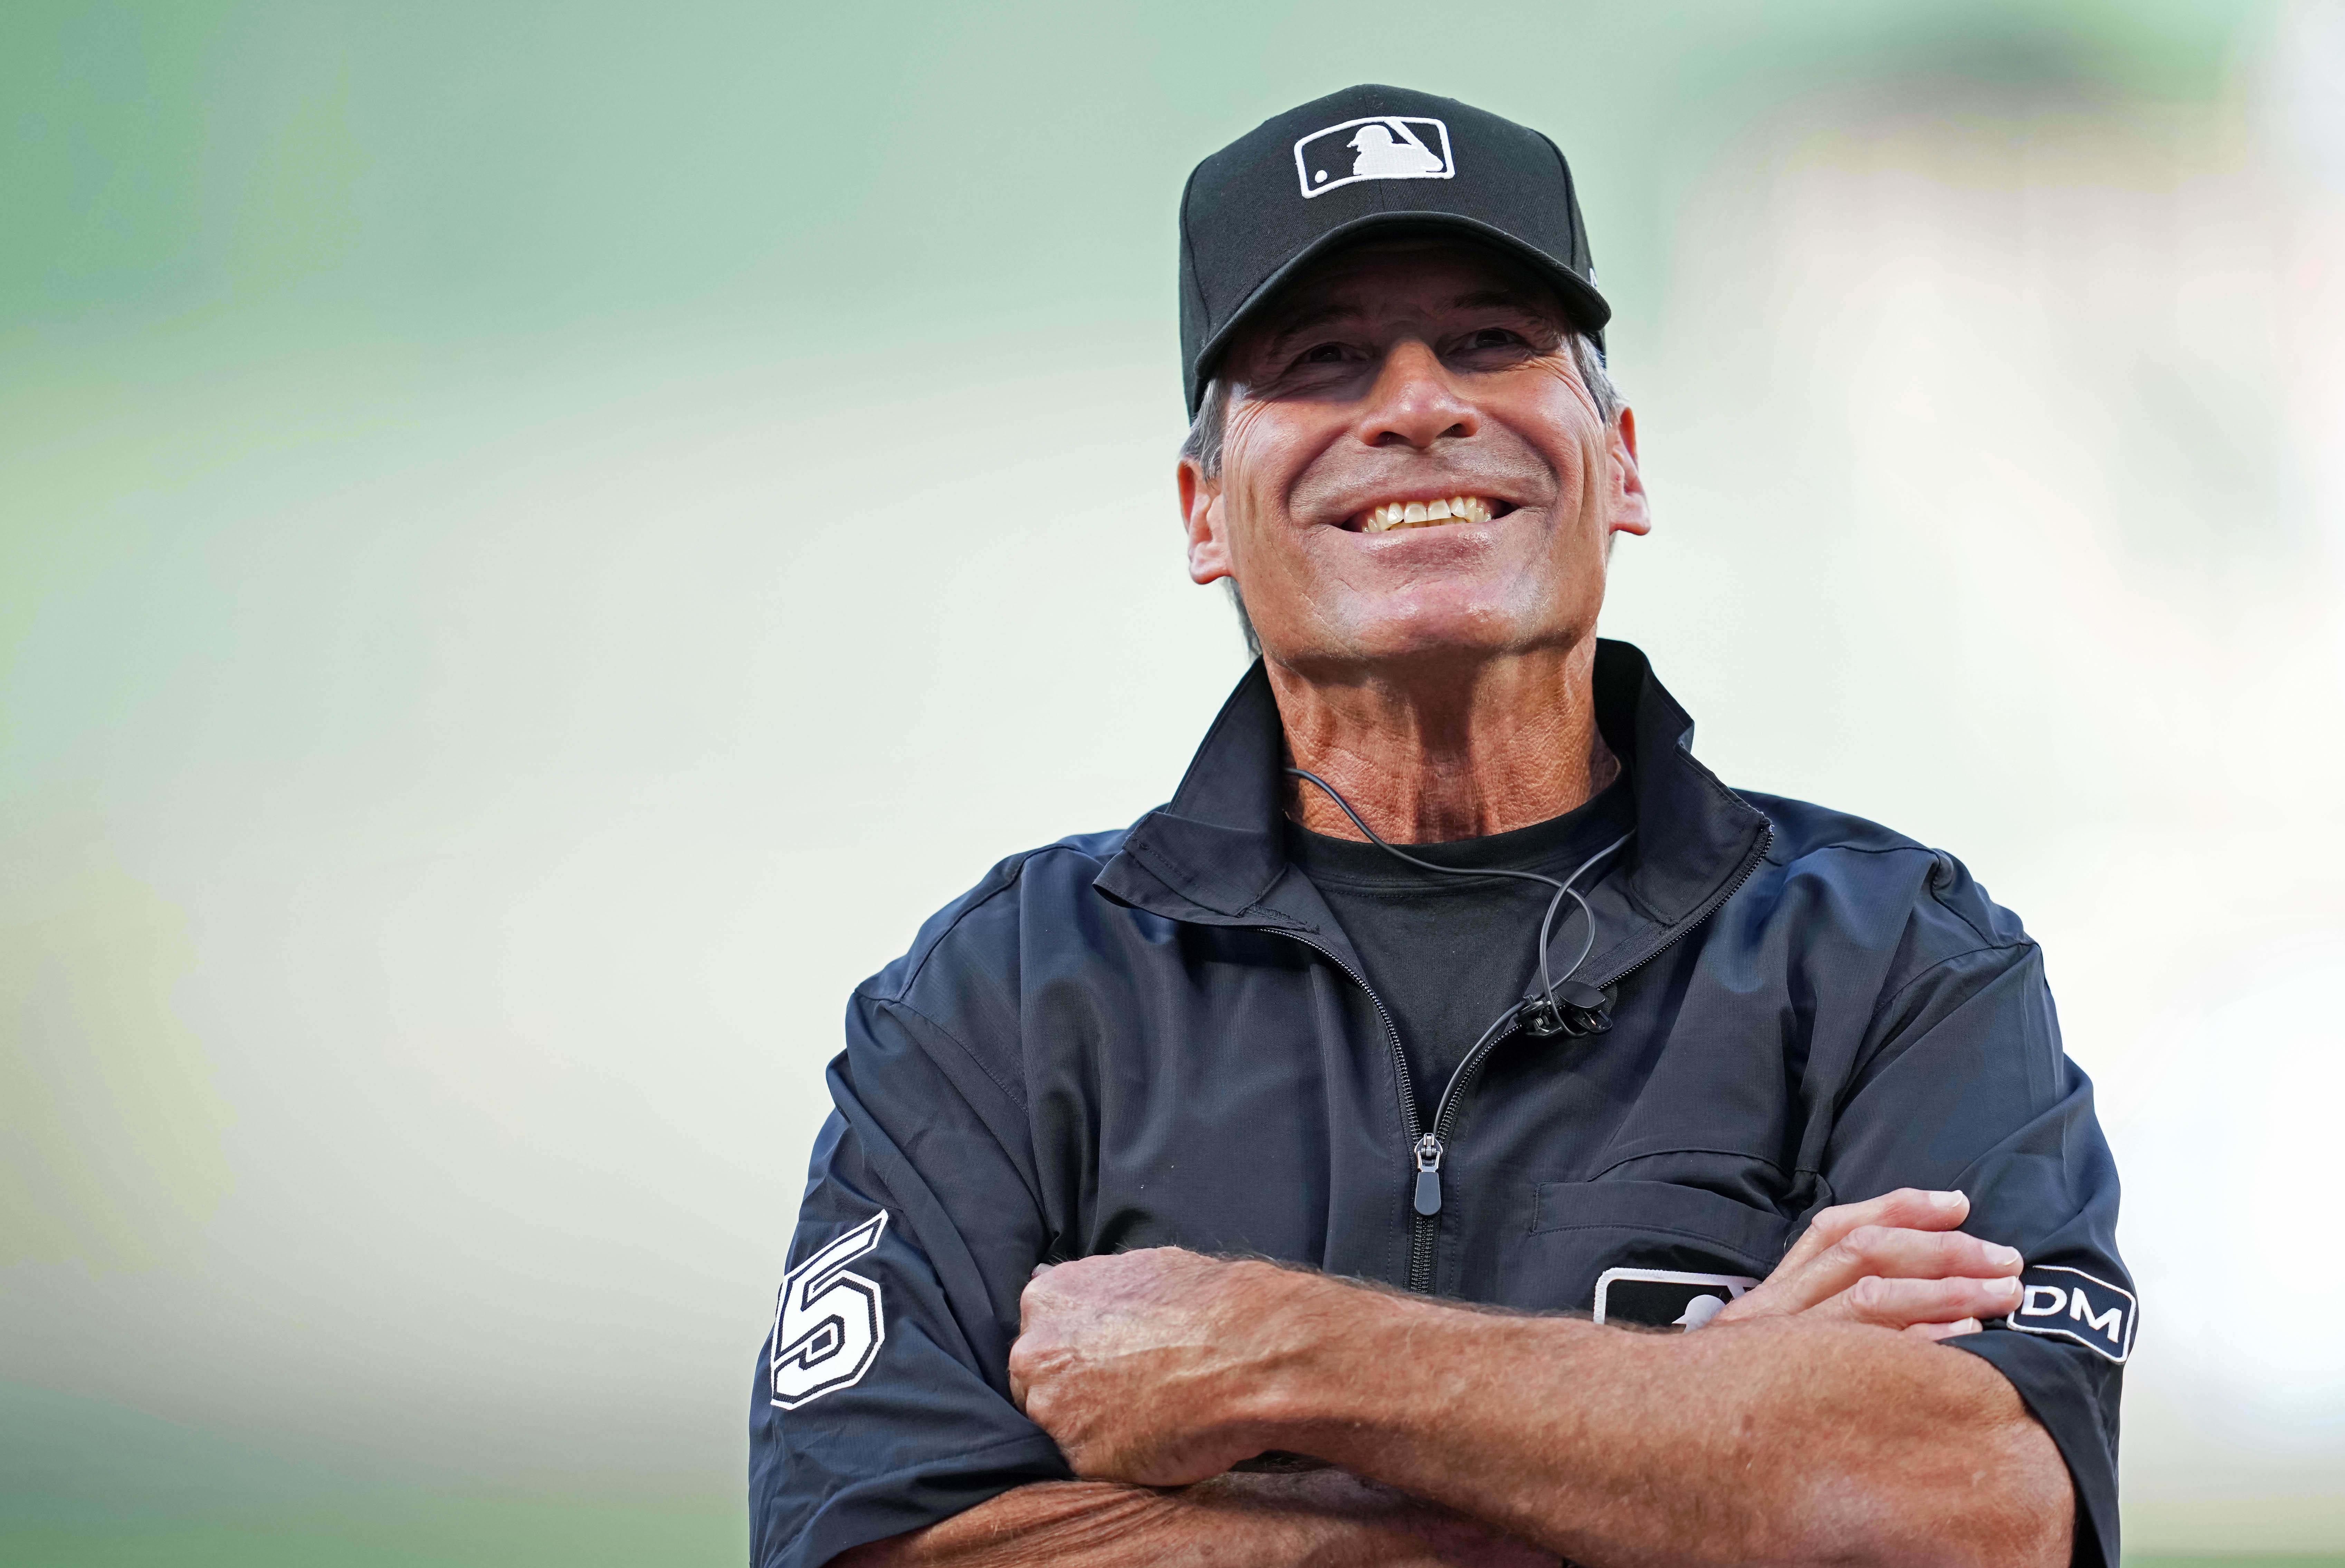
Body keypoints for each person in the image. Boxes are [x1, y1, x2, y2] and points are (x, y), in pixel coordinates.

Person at [750, 83, 2133, 1568]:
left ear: (1623, 460)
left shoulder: (1894, 957)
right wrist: (1706, 1432)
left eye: (1489, 343)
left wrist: (1279, 1355)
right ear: (1202, 513)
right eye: (1322, 360)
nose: (1415, 406)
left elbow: (1975, 1514)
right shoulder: (1003, 995)